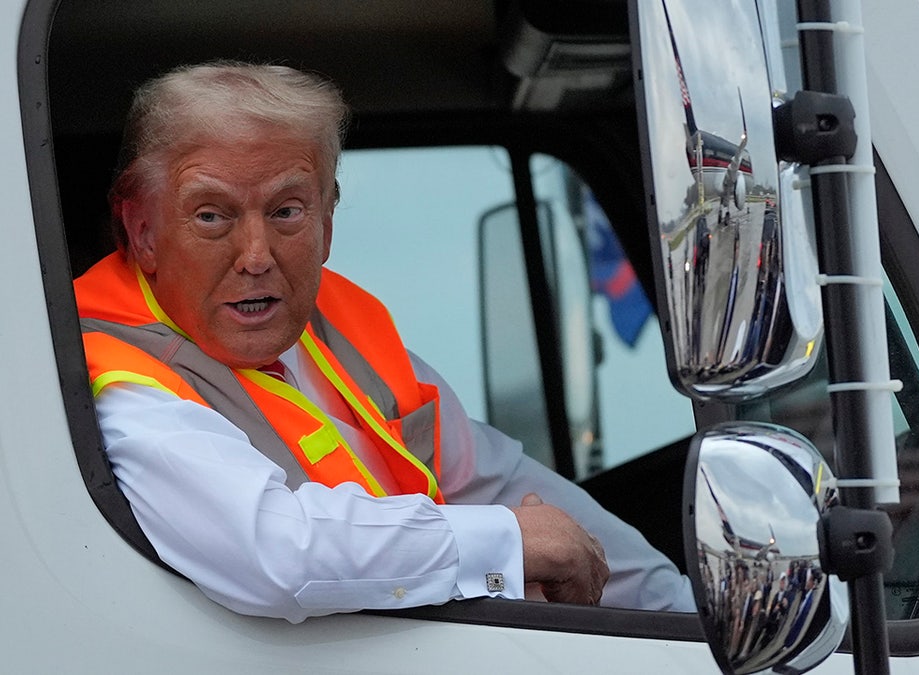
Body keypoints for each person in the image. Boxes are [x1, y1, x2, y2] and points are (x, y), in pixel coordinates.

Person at [75, 61, 694, 623]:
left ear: (327, 221)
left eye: (287, 211)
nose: (256, 256)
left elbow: (498, 481)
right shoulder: (117, 379)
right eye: (212, 215)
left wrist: (685, 619)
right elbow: (277, 555)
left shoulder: (342, 332)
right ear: (143, 232)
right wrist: (507, 541)